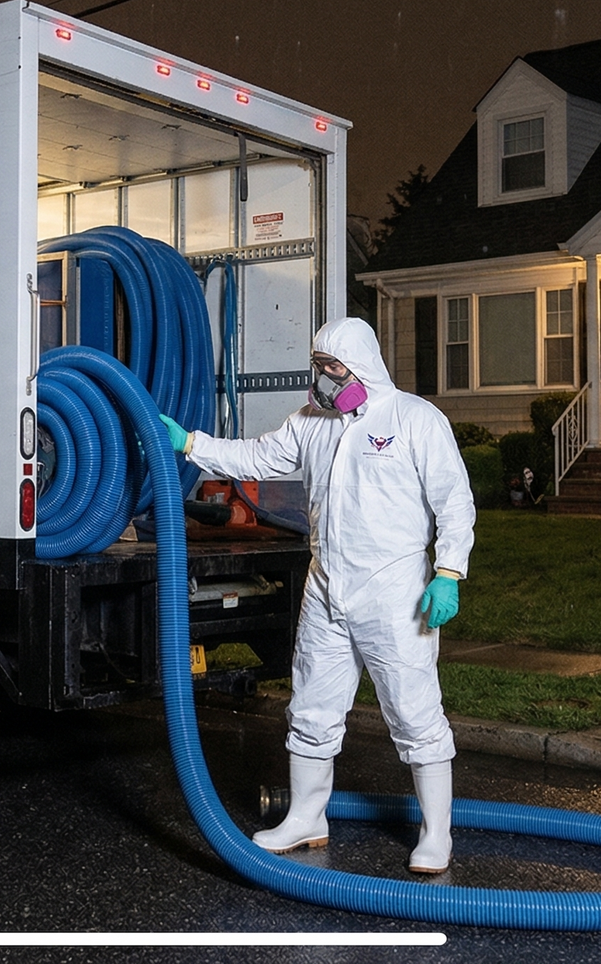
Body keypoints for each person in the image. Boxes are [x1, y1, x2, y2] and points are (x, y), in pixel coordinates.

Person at [159, 317, 474, 875]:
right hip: (327, 588)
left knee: (415, 713)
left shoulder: (414, 420)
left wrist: (448, 572)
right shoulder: (311, 423)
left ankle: (436, 834)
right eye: (319, 368)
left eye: (333, 369)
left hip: (396, 594)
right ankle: (307, 817)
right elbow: (256, 459)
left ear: (361, 366)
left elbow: (454, 502)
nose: (324, 380)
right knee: (311, 708)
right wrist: (189, 445)